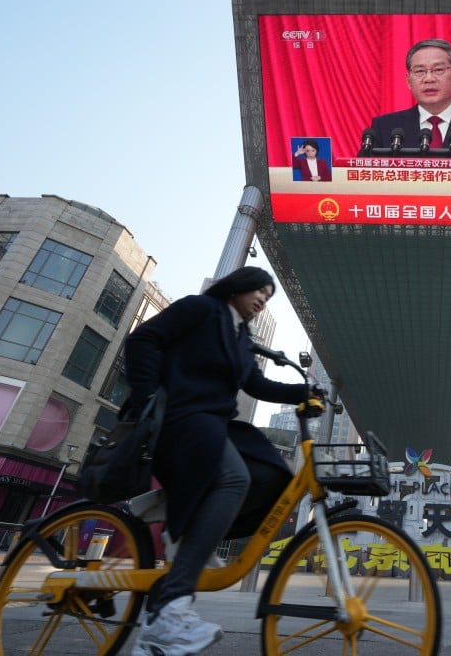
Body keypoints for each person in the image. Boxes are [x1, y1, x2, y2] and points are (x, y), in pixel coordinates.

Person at [123, 266, 315, 656]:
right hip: (177, 416)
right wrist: (147, 397)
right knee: (233, 477)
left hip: (211, 424)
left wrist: (304, 391)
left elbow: (255, 385)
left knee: (269, 471)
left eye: (268, 296)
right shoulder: (199, 309)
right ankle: (170, 609)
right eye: (258, 291)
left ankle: (187, 523)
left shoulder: (241, 338)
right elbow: (142, 340)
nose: (262, 299)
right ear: (236, 289)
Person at [361, 38, 451, 168]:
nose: (429, 78)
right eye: (420, 72)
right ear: (408, 81)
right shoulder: (385, 127)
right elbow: (359, 176)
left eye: (438, 70)